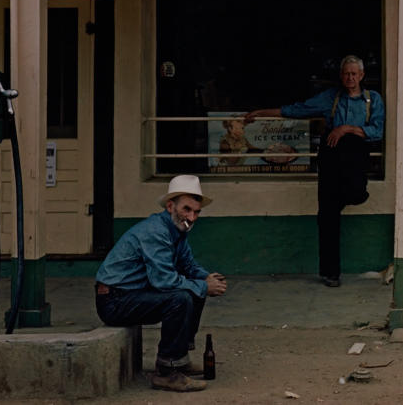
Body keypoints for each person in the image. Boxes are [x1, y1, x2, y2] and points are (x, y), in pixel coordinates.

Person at [245, 54, 385, 287]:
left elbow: (377, 130)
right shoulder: (331, 97)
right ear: (341, 76)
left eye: (354, 74)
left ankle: (340, 198)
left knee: (356, 193)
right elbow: (298, 110)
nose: (350, 77)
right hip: (331, 157)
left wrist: (345, 128)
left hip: (356, 156)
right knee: (328, 216)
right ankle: (331, 273)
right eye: (346, 74)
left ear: (361, 76)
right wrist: (261, 113)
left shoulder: (373, 100)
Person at [94, 175, 228, 393]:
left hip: (132, 295)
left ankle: (180, 359)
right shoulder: (155, 231)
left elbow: (188, 265)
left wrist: (207, 278)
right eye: (187, 209)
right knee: (181, 297)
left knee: (194, 289)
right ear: (170, 206)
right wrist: (204, 286)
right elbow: (164, 281)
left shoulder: (178, 231)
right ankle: (166, 372)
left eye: (196, 212)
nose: (192, 217)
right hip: (113, 301)